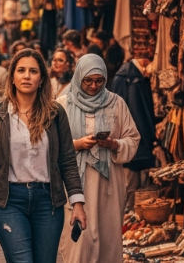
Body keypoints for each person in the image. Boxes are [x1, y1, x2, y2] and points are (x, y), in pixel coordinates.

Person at [0, 49, 87, 262]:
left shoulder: (55, 113)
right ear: (12, 78)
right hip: (8, 202)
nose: (27, 76)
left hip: (47, 201)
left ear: (42, 79)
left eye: (33, 71)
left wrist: (77, 202)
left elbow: (67, 161)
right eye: (21, 70)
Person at [58, 54, 141, 263]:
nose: (94, 86)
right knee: (79, 242)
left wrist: (114, 144)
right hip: (74, 184)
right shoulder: (62, 105)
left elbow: (132, 138)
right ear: (79, 77)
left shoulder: (116, 103)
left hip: (108, 185)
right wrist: (77, 144)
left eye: (99, 81)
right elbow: (50, 146)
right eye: (88, 80)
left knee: (108, 239)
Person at [110, 57, 157, 211]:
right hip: (133, 140)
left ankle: (132, 214)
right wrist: (148, 137)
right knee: (131, 184)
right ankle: (129, 215)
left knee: (134, 182)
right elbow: (135, 112)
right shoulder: (131, 79)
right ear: (145, 63)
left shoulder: (129, 76)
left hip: (131, 140)